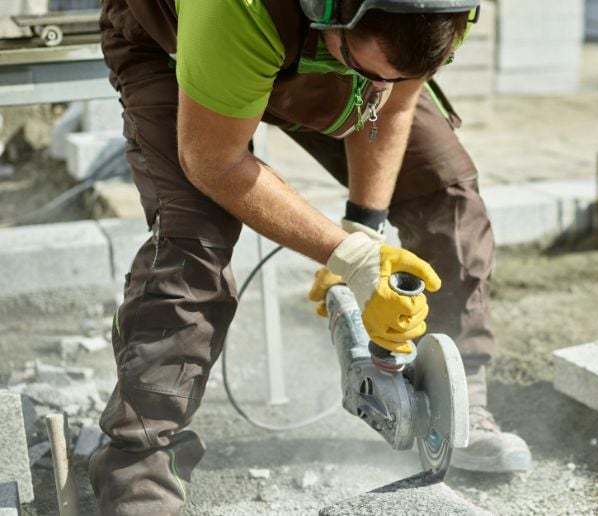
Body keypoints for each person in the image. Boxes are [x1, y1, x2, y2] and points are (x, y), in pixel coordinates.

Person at [90, 0, 531, 513]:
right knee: (195, 239)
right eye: (370, 70)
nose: (381, 86)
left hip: (324, 47)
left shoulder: (442, 11)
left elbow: (392, 102)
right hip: (179, 40)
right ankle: (138, 465)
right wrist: (349, 257)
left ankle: (460, 400)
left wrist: (363, 230)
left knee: (445, 194)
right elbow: (214, 159)